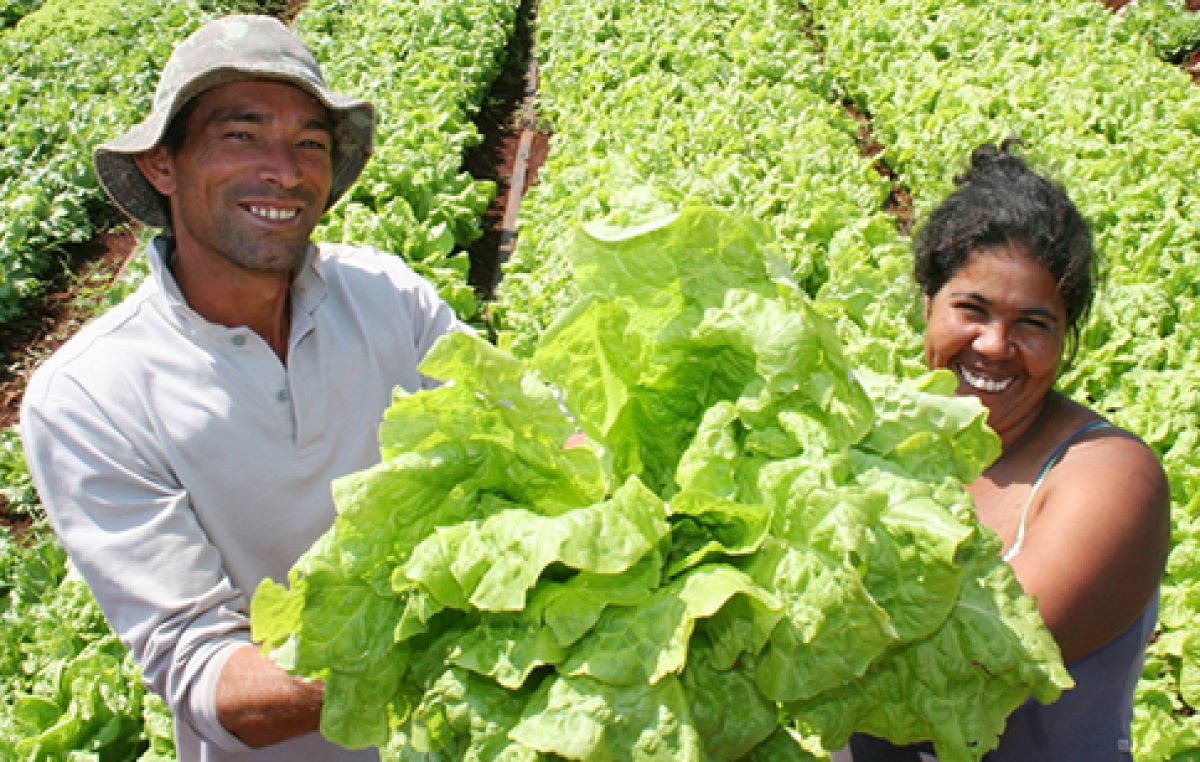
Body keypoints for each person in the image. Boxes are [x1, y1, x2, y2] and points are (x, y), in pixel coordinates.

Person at [19, 15, 467, 762]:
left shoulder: (391, 297)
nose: (285, 172)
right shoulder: (90, 397)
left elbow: (537, 434)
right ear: (164, 166)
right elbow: (209, 676)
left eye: (310, 143)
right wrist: (449, 633)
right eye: (241, 136)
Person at [845, 141, 1171, 760]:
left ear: (1067, 334)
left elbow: (976, 662)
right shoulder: (879, 438)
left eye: (1032, 323)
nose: (994, 344)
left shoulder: (1108, 474)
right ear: (928, 306)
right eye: (971, 308)